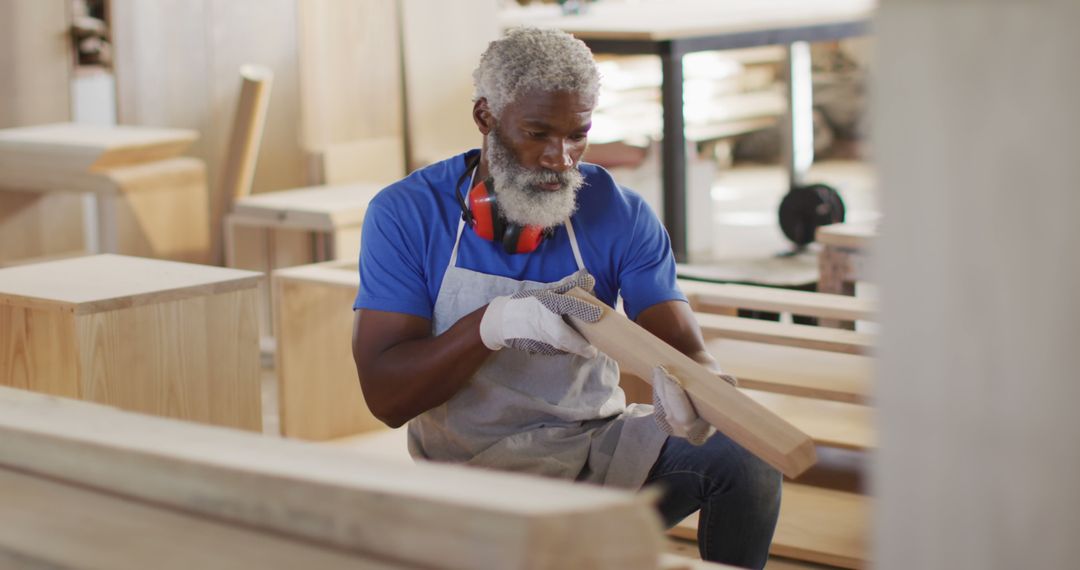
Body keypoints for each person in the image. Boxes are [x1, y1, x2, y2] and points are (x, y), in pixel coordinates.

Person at [351, 26, 780, 568]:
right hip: (472, 477)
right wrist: (490, 325)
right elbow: (387, 400)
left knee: (745, 458)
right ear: (485, 117)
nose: (561, 158)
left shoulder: (619, 212)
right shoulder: (406, 214)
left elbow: (684, 349)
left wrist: (702, 393)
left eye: (578, 134)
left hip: (596, 447)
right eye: (538, 133)